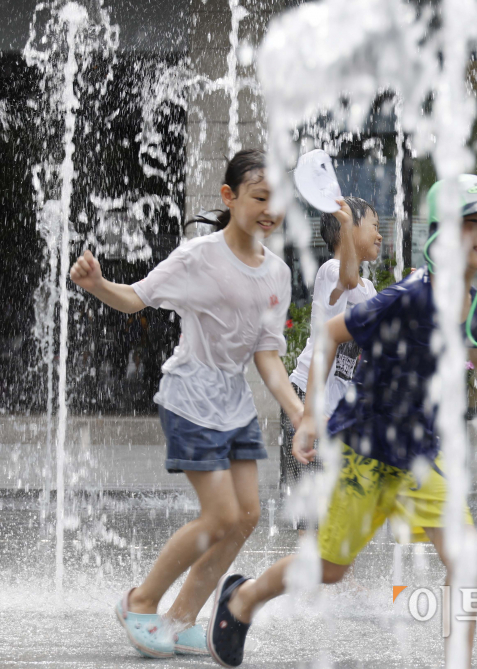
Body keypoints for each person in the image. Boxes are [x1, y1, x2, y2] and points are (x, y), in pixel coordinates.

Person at [203, 174, 477, 668]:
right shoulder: (407, 296)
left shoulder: (469, 301)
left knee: (464, 560)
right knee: (329, 566)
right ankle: (241, 601)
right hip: (368, 451)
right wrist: (309, 417)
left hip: (423, 457)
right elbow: (328, 335)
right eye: (475, 224)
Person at [69, 149, 304, 658]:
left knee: (244, 517)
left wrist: (298, 410)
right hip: (189, 394)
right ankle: (140, 601)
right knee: (219, 516)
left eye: (277, 200)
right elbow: (137, 296)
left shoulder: (278, 275)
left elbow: (267, 355)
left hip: (234, 401)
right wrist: (97, 285)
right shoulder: (199, 256)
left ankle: (181, 619)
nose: (269, 209)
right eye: (259, 197)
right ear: (230, 197)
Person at [280, 196, 382, 513]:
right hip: (307, 399)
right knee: (312, 519)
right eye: (374, 226)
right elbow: (347, 278)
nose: (380, 235)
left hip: (336, 410)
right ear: (347, 230)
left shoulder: (369, 289)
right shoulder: (330, 271)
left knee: (339, 516)